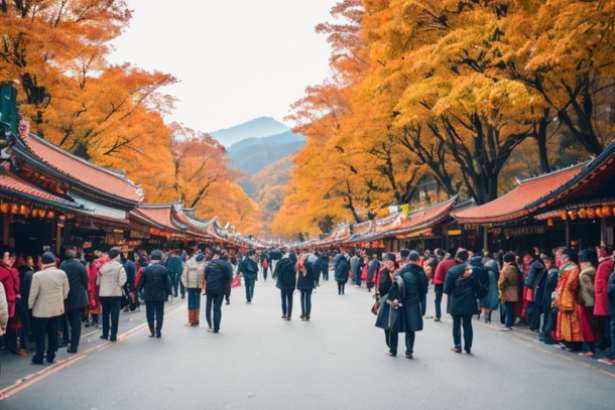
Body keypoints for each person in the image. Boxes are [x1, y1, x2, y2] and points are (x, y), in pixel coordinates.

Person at [376, 251, 428, 359]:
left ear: (408, 260)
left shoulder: (402, 271)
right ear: (418, 261)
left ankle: (393, 350)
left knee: (394, 327)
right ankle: (409, 351)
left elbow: (394, 287)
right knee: (411, 328)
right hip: (413, 304)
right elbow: (424, 290)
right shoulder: (421, 272)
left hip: (399, 303)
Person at [28, 252, 69, 365]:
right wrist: (60, 300)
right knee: (53, 332)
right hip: (56, 308)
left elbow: (33, 294)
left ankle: (39, 357)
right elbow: (66, 291)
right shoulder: (61, 273)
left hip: (41, 310)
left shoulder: (37, 275)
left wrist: (30, 306)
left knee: (40, 334)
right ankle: (51, 355)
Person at [444, 250, 478, 354]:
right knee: (467, 324)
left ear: (458, 258)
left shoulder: (452, 270)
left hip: (456, 300)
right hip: (469, 300)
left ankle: (457, 345)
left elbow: (446, 289)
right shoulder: (474, 270)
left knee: (456, 324)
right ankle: (468, 347)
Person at [137, 250, 172, 338]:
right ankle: (158, 331)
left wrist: (137, 292)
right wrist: (169, 294)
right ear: (160, 258)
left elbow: (140, 283)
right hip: (160, 295)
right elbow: (168, 283)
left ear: (151, 258)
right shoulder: (164, 269)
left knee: (150, 313)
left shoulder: (146, 269)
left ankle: (152, 330)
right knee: (160, 313)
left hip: (149, 295)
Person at [59, 249, 88, 353]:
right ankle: (74, 345)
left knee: (66, 320)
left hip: (65, 298)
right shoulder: (80, 266)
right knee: (76, 322)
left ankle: (65, 339)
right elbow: (85, 281)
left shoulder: (62, 266)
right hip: (78, 299)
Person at [97, 249, 127, 342]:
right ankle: (113, 335)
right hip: (115, 293)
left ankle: (105, 334)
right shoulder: (120, 267)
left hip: (104, 293)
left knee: (105, 313)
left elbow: (98, 281)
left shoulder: (103, 267)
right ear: (117, 256)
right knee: (115, 314)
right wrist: (118, 286)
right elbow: (123, 280)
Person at [203, 249, 233, 333]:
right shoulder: (227, 265)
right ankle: (216, 327)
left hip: (210, 288)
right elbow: (229, 279)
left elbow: (205, 276)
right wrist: (227, 294)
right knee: (217, 308)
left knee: (208, 306)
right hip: (221, 289)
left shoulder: (210, 264)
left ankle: (209, 324)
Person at [577, 249, 597, 355]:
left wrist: (586, 302)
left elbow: (588, 290)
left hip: (587, 302)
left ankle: (590, 349)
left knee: (589, 325)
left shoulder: (586, 272)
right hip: (590, 302)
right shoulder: (592, 269)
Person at [594, 249, 613, 353]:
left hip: (603, 297)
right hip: (607, 296)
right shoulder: (608, 264)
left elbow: (599, 285)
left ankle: (604, 342)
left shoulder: (602, 265)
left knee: (604, 321)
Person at [597, 260, 615, 365]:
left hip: (613, 308)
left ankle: (613, 355)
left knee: (613, 331)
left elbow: (611, 292)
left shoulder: (613, 276)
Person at [181, 252, 205, 326]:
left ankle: (191, 320)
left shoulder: (188, 263)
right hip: (198, 286)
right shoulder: (203, 264)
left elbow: (184, 275)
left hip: (191, 286)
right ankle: (196, 320)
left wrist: (186, 285)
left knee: (191, 303)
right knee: (197, 302)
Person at [273, 251, 297, 320]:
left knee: (283, 298)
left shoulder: (280, 262)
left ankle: (284, 313)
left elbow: (276, 272)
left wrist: (274, 276)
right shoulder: (294, 263)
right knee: (290, 298)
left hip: (282, 283)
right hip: (291, 283)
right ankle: (289, 315)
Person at [433, 248, 455, 322]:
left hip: (439, 282)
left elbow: (438, 275)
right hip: (449, 282)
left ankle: (437, 315)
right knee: (451, 297)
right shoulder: (455, 263)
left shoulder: (442, 263)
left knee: (438, 299)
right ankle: (452, 314)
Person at [499, 252, 520, 331]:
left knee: (509, 308)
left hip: (509, 291)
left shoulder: (510, 268)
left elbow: (506, 280)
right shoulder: (514, 267)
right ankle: (508, 323)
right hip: (511, 291)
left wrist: (501, 286)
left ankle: (508, 324)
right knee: (509, 307)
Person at [297, 252, 319, 321]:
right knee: (308, 300)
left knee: (302, 299)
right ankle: (307, 315)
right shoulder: (311, 265)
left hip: (301, 284)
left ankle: (303, 313)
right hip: (309, 284)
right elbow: (315, 275)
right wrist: (316, 281)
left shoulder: (300, 265)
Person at [481, 259, 500, 324]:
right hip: (493, 290)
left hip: (486, 290)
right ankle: (488, 315)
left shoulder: (486, 271)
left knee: (486, 303)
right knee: (491, 303)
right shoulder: (495, 273)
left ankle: (485, 315)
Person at [121, 247, 137, 312]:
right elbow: (134, 274)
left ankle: (127, 304)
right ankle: (131, 304)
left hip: (124, 281)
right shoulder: (131, 263)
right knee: (129, 292)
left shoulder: (122, 263)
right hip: (130, 281)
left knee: (126, 292)